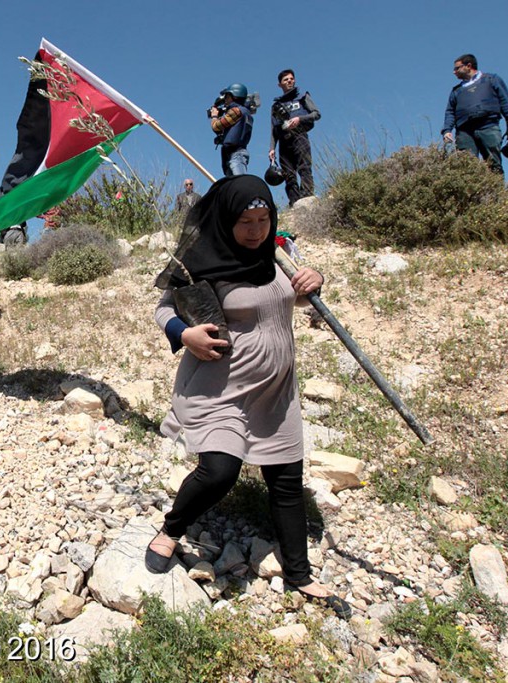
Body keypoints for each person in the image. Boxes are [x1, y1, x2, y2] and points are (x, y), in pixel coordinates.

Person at [148, 174, 351, 619]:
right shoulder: (201, 262)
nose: (256, 230)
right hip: (222, 387)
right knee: (220, 471)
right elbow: (164, 309)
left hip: (275, 391)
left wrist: (313, 280)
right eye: (245, 221)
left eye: (264, 219)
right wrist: (186, 335)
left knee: (285, 483)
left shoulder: (276, 256)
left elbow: (292, 298)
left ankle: (299, 574)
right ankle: (170, 529)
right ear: (226, 219)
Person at [442, 54, 508, 176]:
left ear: (468, 66)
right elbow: (450, 111)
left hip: (488, 126)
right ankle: (471, 195)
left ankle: (497, 192)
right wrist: (447, 130)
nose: (454, 72)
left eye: (457, 68)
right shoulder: (456, 91)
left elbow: (505, 101)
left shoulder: (491, 79)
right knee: (466, 166)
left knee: (493, 162)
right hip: (464, 131)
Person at [268, 69, 321, 206]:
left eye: (291, 78)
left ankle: (308, 199)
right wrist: (272, 148)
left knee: (304, 168)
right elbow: (274, 129)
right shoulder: (276, 106)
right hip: (284, 142)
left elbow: (316, 114)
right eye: (286, 80)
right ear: (280, 84)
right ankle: (294, 203)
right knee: (288, 174)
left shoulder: (302, 97)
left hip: (300, 136)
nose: (289, 81)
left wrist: (300, 119)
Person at [209, 83, 253, 177]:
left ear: (234, 96)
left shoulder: (236, 111)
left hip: (235, 154)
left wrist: (214, 116)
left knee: (240, 182)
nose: (225, 99)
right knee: (234, 184)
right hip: (236, 152)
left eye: (227, 96)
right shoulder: (245, 112)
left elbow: (216, 126)